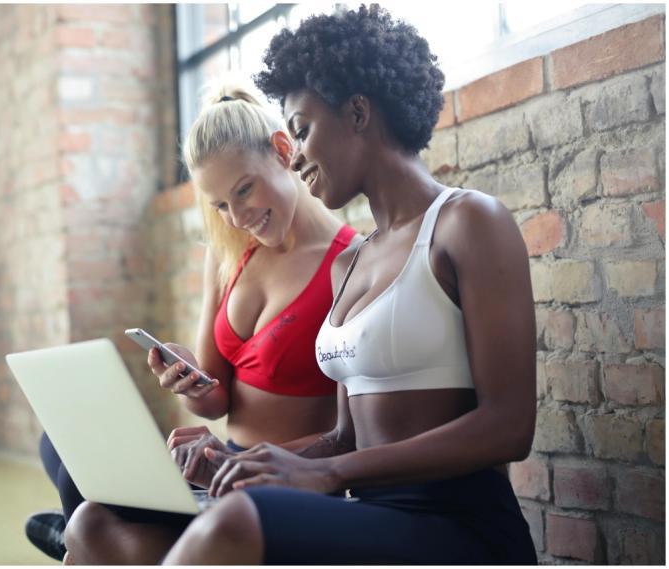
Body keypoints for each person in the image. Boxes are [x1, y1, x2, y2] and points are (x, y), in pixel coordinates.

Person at [67, 5, 538, 565]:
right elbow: (344, 436)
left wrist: (326, 472)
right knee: (96, 521)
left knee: (236, 520)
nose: (299, 156)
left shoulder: (469, 222)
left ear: (358, 113)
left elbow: (509, 427)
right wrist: (241, 460)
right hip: (365, 510)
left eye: (303, 131)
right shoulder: (354, 264)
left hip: (456, 524)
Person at [24, 77, 357, 561]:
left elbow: (349, 436)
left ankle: (84, 544)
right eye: (221, 205)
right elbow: (215, 399)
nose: (238, 217)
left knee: (89, 520)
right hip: (218, 467)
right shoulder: (230, 255)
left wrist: (237, 462)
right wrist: (191, 381)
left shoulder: (349, 264)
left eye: (244, 190)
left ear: (283, 150)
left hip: (279, 477)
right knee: (63, 449)